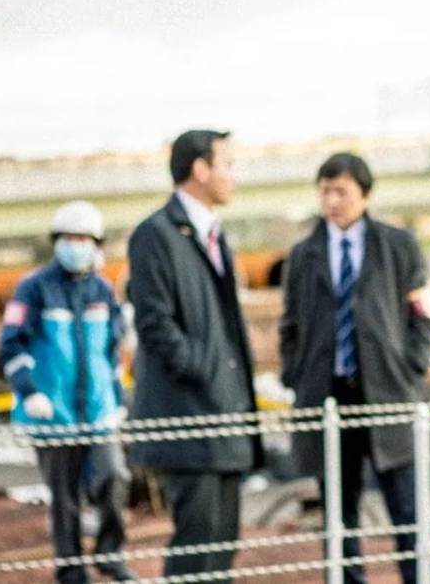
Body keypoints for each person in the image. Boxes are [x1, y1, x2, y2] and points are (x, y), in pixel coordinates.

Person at [279, 152, 430, 584]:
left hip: (390, 393)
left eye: (341, 191)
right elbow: (290, 324)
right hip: (328, 397)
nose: (332, 201)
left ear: (365, 195)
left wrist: (411, 365)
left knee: (409, 509)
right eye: (325, 191)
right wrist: (295, 374)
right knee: (339, 513)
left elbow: (424, 312)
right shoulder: (303, 255)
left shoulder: (399, 246)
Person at [126, 129, 262, 583]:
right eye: (227, 164)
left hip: (225, 414)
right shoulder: (155, 235)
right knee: (197, 542)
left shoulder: (214, 235)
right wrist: (202, 367)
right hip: (189, 415)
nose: (233, 175)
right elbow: (154, 322)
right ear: (200, 169)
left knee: (223, 541)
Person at [0, 200, 135, 583]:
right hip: (53, 414)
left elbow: (111, 351)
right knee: (65, 497)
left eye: (83, 239)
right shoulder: (34, 288)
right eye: (68, 238)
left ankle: (110, 553)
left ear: (96, 244)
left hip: (98, 413)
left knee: (114, 477)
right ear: (56, 241)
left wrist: (117, 399)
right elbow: (11, 344)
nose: (76, 245)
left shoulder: (102, 291)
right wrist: (29, 392)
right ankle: (72, 568)